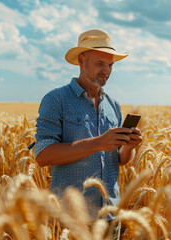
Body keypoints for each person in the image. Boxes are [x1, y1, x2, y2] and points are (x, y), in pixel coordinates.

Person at [33, 29, 142, 219]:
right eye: (100, 64)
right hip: (71, 218)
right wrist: (98, 143)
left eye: (110, 65)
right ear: (81, 61)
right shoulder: (56, 99)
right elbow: (43, 155)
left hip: (110, 215)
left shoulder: (113, 105)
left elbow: (118, 160)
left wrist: (129, 147)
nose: (106, 71)